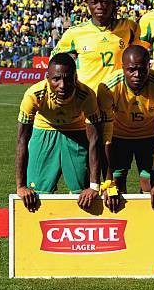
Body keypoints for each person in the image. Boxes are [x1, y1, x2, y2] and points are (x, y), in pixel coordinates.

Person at [15, 54, 103, 211]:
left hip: (76, 132)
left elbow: (95, 140)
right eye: (56, 79)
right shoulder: (33, 95)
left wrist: (94, 185)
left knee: (83, 193)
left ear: (75, 77)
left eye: (68, 79)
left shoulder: (87, 95)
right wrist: (21, 186)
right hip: (44, 131)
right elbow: (22, 140)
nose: (62, 85)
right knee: (36, 192)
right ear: (47, 77)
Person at [97, 46, 154, 212]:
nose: (137, 75)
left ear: (149, 66)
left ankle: (146, 218)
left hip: (150, 137)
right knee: (116, 184)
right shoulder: (107, 87)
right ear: (123, 67)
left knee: (148, 184)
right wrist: (108, 180)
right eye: (131, 70)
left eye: (142, 69)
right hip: (118, 137)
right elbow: (106, 135)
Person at [51, 0, 139, 92]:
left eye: (104, 2)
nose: (99, 6)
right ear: (88, 6)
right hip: (89, 98)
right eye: (94, 2)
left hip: (119, 99)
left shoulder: (129, 27)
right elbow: (54, 61)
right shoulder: (75, 33)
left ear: (113, 4)